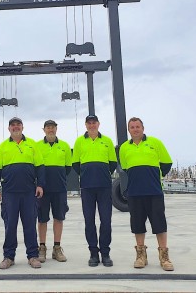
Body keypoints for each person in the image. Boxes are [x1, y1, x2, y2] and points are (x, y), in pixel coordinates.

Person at [118, 117, 174, 271]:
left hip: (154, 191)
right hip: (135, 193)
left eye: (138, 126)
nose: (135, 129)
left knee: (159, 224)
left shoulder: (155, 143)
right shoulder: (124, 148)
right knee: (137, 225)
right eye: (132, 127)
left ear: (143, 128)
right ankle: (141, 255)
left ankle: (164, 256)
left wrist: (155, 177)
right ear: (129, 130)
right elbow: (125, 167)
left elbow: (167, 163)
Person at [0, 117, 45, 270]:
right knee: (10, 226)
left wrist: (40, 185)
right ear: (9, 129)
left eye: (18, 125)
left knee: (29, 225)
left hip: (29, 192)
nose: (16, 127)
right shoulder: (3, 147)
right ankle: (8, 257)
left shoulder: (32, 144)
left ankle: (33, 256)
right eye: (13, 125)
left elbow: (40, 167)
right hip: (10, 193)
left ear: (23, 127)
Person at [72, 115, 117, 267]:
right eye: (89, 123)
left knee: (106, 221)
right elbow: (75, 164)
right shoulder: (79, 141)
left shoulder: (107, 141)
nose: (92, 125)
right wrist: (87, 174)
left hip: (104, 187)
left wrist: (101, 174)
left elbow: (112, 163)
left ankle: (105, 253)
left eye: (94, 123)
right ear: (86, 125)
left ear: (98, 124)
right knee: (89, 221)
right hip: (87, 187)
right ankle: (93, 253)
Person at [36, 120, 72, 263]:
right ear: (44, 129)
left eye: (53, 127)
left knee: (59, 218)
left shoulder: (64, 146)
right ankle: (42, 248)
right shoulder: (37, 146)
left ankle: (57, 248)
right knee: (42, 219)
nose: (50, 130)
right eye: (48, 127)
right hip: (43, 189)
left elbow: (68, 167)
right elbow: (36, 167)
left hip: (59, 189)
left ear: (56, 129)